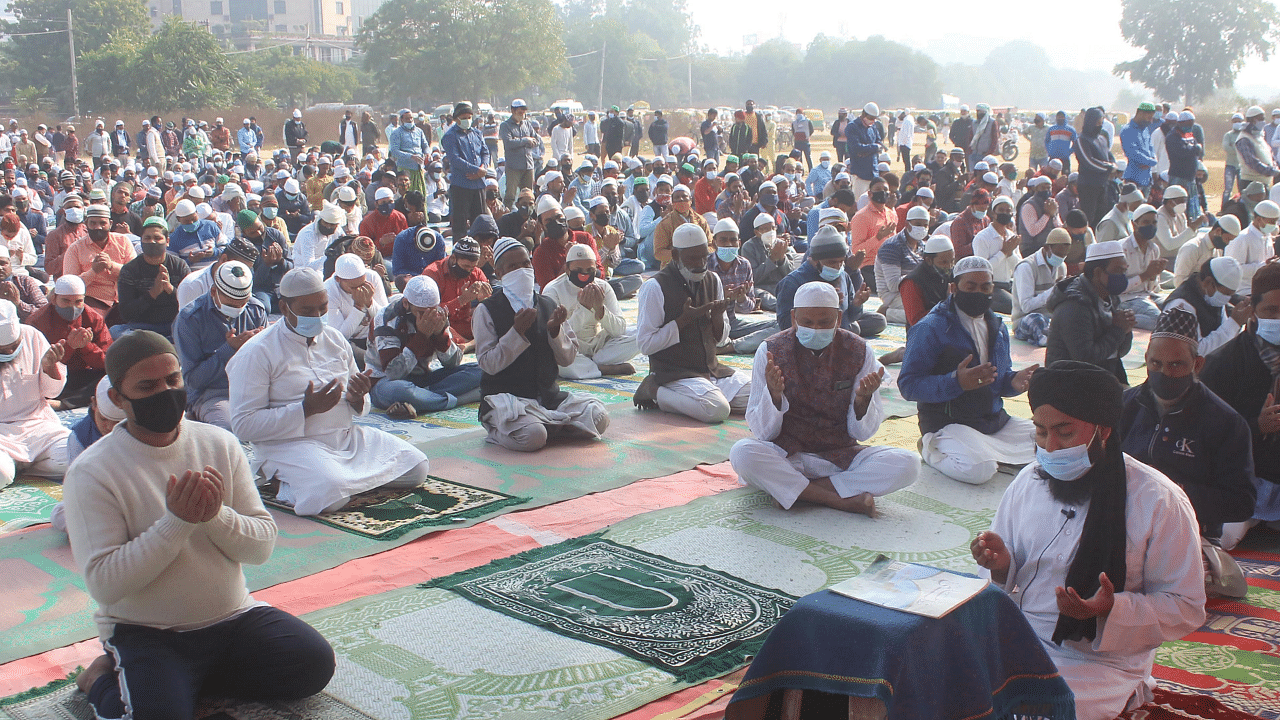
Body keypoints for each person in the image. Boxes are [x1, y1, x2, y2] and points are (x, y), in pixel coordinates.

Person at [64, 330, 335, 720]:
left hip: (233, 618)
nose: (166, 392)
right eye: (148, 385)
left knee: (313, 664)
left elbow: (261, 547)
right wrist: (176, 523)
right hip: (151, 633)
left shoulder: (218, 444)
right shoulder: (92, 472)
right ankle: (101, 681)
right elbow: (105, 583)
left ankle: (180, 683)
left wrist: (215, 516)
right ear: (117, 399)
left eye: (173, 380)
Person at [972, 360, 1205, 720]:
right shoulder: (1028, 482)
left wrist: (1108, 610)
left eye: (1064, 433)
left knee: (1037, 712)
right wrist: (1002, 565)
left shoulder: (1158, 500)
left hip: (1099, 663)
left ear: (1104, 431)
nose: (1050, 447)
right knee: (940, 682)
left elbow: (1186, 606)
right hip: (1018, 638)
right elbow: (1008, 584)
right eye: (1040, 432)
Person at [227, 267, 431, 516]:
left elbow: (359, 403)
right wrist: (304, 410)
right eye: (307, 311)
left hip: (345, 439)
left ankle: (334, 480)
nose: (317, 316)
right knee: (330, 496)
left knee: (416, 467)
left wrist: (357, 398)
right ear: (283, 308)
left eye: (322, 308)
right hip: (291, 446)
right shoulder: (257, 352)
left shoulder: (334, 339)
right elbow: (243, 426)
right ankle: (282, 482)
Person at [730, 281, 918, 514]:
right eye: (807, 322)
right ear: (793, 318)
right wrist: (774, 396)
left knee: (909, 464)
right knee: (743, 453)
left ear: (838, 319)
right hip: (788, 455)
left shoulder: (859, 350)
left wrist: (862, 401)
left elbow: (862, 433)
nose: (816, 329)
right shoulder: (771, 351)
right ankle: (837, 499)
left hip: (839, 456)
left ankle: (801, 493)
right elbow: (763, 433)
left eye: (824, 322)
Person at [1120, 307, 1256, 597]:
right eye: (1156, 363)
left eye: (1176, 365)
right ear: (1145, 359)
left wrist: (1175, 494)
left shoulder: (1226, 423)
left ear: (1197, 364)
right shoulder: (1124, 407)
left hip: (1187, 531)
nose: (1164, 373)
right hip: (1123, 523)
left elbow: (1242, 502)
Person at [898, 256, 1039, 485]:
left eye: (985, 287)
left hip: (993, 422)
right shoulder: (930, 328)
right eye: (970, 287)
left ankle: (989, 450)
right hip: (949, 424)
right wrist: (956, 382)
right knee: (979, 469)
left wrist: (1014, 382)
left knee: (1048, 442)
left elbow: (998, 379)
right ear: (954, 288)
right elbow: (908, 385)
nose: (978, 293)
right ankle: (931, 449)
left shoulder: (998, 327)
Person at [473, 238, 609, 451]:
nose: (522, 270)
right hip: (508, 400)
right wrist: (515, 333)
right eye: (513, 266)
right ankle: (503, 428)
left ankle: (548, 425)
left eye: (526, 264)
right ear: (499, 273)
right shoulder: (487, 310)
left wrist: (555, 332)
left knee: (599, 416)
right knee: (533, 436)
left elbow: (567, 359)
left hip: (548, 397)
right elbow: (488, 363)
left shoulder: (547, 304)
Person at [632, 223, 750, 423]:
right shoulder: (655, 287)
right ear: (676, 256)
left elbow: (721, 341)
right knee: (717, 409)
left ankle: (704, 395)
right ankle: (653, 390)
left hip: (712, 371)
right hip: (674, 375)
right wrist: (682, 322)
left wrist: (716, 319)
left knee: (763, 396)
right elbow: (645, 345)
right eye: (693, 258)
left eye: (704, 256)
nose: (701, 263)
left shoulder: (713, 280)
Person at [1201, 261, 1280, 548]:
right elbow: (1204, 433)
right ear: (1253, 309)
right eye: (1272, 311)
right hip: (1240, 482)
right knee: (1221, 539)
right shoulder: (1224, 362)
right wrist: (1254, 426)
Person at [366, 275, 482, 418]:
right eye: (421, 313)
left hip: (424, 379)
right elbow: (393, 373)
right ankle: (459, 399)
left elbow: (453, 363)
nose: (427, 317)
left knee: (481, 370)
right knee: (403, 391)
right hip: (386, 383)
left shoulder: (437, 314)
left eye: (431, 311)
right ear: (406, 304)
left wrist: (440, 336)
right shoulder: (386, 319)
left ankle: (420, 401)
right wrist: (421, 336)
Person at [173, 261, 267, 430]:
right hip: (213, 394)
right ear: (214, 292)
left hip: (252, 388)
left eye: (242, 304)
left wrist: (258, 349)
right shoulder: (190, 319)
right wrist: (229, 349)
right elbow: (192, 381)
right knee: (228, 430)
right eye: (231, 305)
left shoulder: (255, 310)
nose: (238, 309)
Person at [0, 299, 70, 488]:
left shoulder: (32, 336)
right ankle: (12, 466)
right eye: (3, 350)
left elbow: (52, 393)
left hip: (38, 425)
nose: (11, 352)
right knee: (1, 474)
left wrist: (49, 368)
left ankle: (22, 466)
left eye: (15, 346)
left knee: (78, 455)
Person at [542, 243, 638, 379]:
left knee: (643, 334)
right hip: (572, 350)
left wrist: (601, 310)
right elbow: (558, 336)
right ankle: (603, 368)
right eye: (579, 269)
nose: (584, 274)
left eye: (589, 270)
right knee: (552, 357)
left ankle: (591, 366)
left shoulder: (602, 286)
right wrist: (584, 309)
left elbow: (619, 330)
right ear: (567, 269)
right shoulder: (553, 290)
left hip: (600, 345)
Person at [1045, 240, 1135, 382]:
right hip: (1070, 384)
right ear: (1098, 273)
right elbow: (1086, 358)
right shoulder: (1074, 305)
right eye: (1118, 271)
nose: (1123, 276)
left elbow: (1118, 352)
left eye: (1124, 271)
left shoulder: (1110, 297)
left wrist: (1126, 329)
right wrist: (1118, 330)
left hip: (1101, 377)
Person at [775, 225, 885, 338]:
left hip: (838, 333)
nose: (837, 267)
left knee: (878, 320)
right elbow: (785, 324)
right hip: (809, 338)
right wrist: (820, 304)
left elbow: (849, 317)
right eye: (832, 262)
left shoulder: (843, 276)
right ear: (815, 259)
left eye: (841, 262)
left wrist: (856, 304)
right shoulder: (792, 282)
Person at [26, 275, 113, 409]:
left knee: (114, 376)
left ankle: (65, 403)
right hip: (52, 378)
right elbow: (36, 365)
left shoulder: (94, 319)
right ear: (54, 299)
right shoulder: (37, 321)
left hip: (82, 376)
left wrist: (86, 346)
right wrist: (70, 346)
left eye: (78, 302)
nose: (72, 307)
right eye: (66, 301)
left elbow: (107, 362)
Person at [112, 216, 191, 339]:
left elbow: (190, 305)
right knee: (116, 332)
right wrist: (153, 293)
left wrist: (170, 289)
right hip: (141, 327)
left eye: (157, 238)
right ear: (141, 241)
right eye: (147, 238)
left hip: (174, 326)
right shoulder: (130, 270)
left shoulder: (179, 266)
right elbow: (126, 313)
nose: (152, 242)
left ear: (167, 241)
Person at [324, 254, 388, 369]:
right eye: (353, 287)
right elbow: (340, 337)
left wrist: (369, 303)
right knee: (372, 363)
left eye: (362, 284)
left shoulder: (372, 277)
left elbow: (386, 318)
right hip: (350, 342)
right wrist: (359, 307)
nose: (360, 289)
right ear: (339, 279)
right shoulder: (329, 290)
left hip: (375, 335)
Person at [1012, 228, 1071, 346]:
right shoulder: (1027, 267)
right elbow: (1026, 307)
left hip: (1050, 318)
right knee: (1036, 321)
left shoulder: (1061, 266)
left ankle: (1050, 336)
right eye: (1058, 254)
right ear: (1046, 248)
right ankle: (1048, 339)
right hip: (1026, 320)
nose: (1061, 258)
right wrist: (1054, 290)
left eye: (1064, 255)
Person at [442, 102, 491, 241]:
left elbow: (485, 152)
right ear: (456, 118)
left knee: (480, 223)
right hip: (461, 185)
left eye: (469, 117)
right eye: (464, 117)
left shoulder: (477, 133)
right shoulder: (450, 136)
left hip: (479, 184)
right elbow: (455, 159)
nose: (467, 120)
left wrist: (483, 169)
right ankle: (459, 255)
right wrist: (476, 170)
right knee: (460, 226)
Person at [1115, 204, 1166, 331]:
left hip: (1146, 295)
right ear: (1134, 224)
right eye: (1146, 222)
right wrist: (1146, 275)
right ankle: (1115, 318)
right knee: (1159, 321)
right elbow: (1116, 288)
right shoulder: (1122, 249)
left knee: (1177, 307)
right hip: (1125, 299)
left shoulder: (1154, 249)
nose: (1151, 226)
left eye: (1154, 222)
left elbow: (1152, 286)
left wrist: (1154, 275)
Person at [875, 205, 928, 324]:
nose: (922, 228)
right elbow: (893, 285)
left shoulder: (923, 246)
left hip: (916, 290)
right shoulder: (892, 247)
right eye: (918, 224)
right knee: (924, 317)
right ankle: (887, 313)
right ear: (907, 224)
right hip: (893, 295)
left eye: (925, 225)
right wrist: (921, 277)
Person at [970, 195, 1022, 314]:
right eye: (1001, 210)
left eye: (1008, 211)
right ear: (994, 213)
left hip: (1009, 284)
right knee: (1013, 306)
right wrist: (1003, 253)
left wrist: (1010, 253)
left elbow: (1018, 267)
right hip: (990, 287)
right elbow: (982, 269)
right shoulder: (982, 238)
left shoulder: (1011, 237)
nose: (1005, 213)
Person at [65, 375, 126, 465]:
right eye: (103, 419)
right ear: (94, 404)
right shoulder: (80, 437)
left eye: (118, 422)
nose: (110, 427)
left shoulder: (145, 432)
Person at [1225, 198, 1278, 295]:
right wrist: (1264, 266)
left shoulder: (1267, 236)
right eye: (1272, 222)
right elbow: (1233, 269)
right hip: (1245, 291)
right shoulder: (1242, 238)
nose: (1274, 225)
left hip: (1264, 289)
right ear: (1258, 219)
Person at [899, 235, 955, 327]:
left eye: (952, 261)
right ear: (929, 260)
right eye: (944, 262)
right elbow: (916, 321)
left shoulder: (951, 274)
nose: (949, 266)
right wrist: (946, 305)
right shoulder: (911, 282)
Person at [500, 100, 538, 206]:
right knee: (510, 196)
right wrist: (525, 140)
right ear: (513, 111)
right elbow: (508, 143)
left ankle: (528, 218)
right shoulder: (505, 125)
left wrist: (520, 141)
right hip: (513, 166)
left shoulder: (527, 124)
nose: (522, 115)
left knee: (528, 195)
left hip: (528, 164)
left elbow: (536, 140)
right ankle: (507, 217)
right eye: (520, 112)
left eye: (524, 112)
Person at [846, 103, 883, 199]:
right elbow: (856, 148)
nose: (872, 121)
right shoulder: (852, 127)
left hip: (873, 172)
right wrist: (874, 148)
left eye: (874, 118)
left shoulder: (873, 127)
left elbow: (879, 142)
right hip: (860, 173)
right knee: (859, 202)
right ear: (863, 114)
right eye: (871, 118)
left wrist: (867, 149)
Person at [0, 244, 47, 320]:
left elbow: (45, 312)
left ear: (10, 264)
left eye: (3, 263)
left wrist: (18, 303)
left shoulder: (25, 282)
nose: (0, 268)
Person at [1236, 106, 1277, 193]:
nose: (1263, 121)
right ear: (1254, 120)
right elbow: (1251, 162)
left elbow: (1269, 155)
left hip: (1264, 183)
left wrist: (1274, 166)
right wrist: (1270, 171)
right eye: (1261, 119)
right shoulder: (1244, 138)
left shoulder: (1259, 136)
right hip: (1250, 184)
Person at [949, 189, 992, 259]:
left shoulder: (986, 220)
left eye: (986, 209)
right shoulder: (960, 222)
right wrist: (979, 243)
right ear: (972, 205)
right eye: (981, 208)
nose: (983, 211)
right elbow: (959, 250)